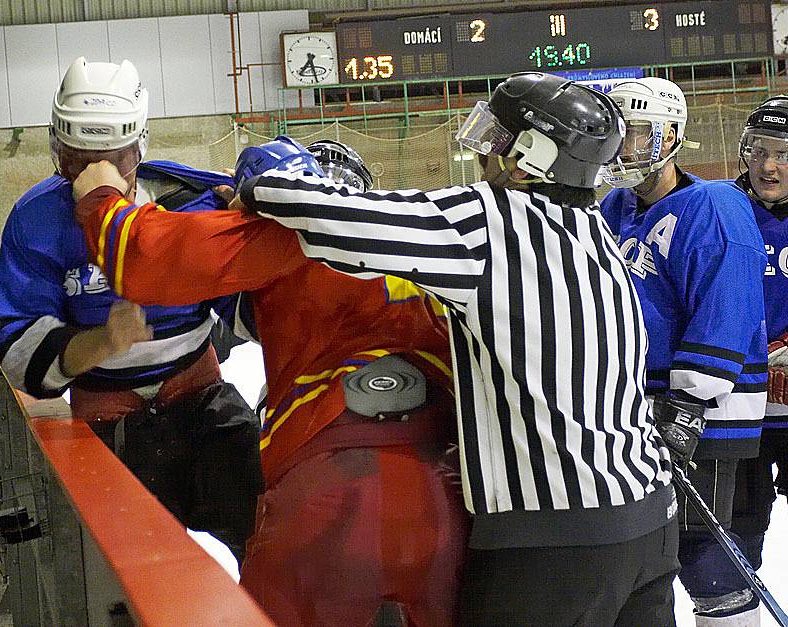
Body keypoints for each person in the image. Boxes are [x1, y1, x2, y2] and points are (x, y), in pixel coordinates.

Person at [73, 72, 682, 625]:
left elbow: (163, 256)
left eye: (499, 139)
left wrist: (113, 194)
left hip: (532, 533)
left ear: (530, 156)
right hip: (647, 519)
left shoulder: (485, 222)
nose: (485, 153)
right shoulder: (599, 235)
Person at [70, 137, 469, 626]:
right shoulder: (422, 226)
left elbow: (147, 261)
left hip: (330, 475)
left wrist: (100, 199)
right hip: (451, 483)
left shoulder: (290, 235)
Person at [0, 57, 262, 564]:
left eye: (113, 159)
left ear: (140, 147)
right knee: (127, 567)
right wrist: (102, 343)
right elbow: (20, 350)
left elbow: (243, 303)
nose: (95, 175)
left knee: (268, 517)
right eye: (76, 160)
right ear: (56, 149)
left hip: (199, 395)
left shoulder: (187, 200)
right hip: (107, 418)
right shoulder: (37, 220)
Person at [599, 77, 768, 626]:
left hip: (703, 412)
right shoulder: (612, 208)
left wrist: (691, 403)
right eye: (616, 132)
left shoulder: (714, 204)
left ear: (672, 135)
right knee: (645, 549)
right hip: (633, 410)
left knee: (703, 554)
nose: (625, 146)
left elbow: (730, 303)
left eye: (639, 133)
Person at [727, 96, 788, 625]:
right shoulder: (719, 210)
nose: (769, 166)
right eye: (760, 151)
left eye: (784, 154)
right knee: (737, 535)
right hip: (736, 410)